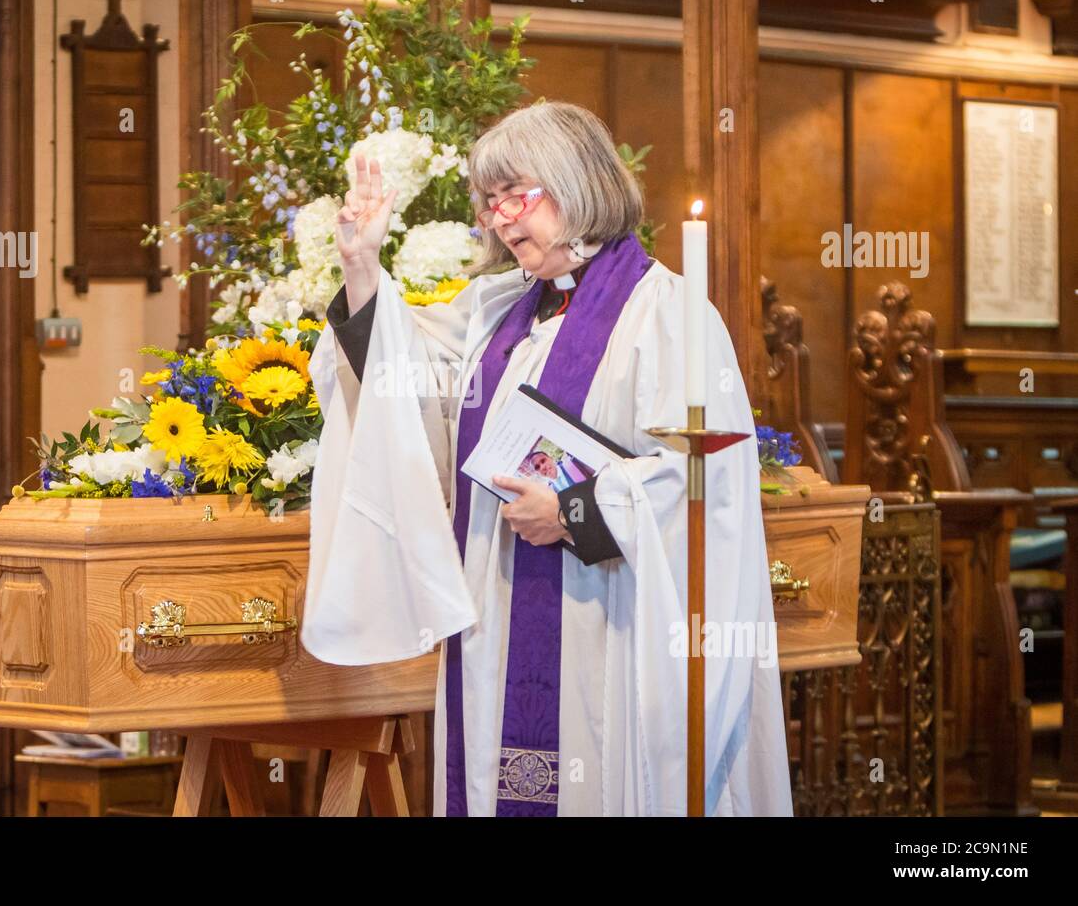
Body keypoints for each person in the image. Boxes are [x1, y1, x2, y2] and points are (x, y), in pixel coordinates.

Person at [301, 101, 792, 816]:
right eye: (490, 202)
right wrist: (362, 264)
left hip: (606, 619)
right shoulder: (500, 313)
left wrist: (574, 510)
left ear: (577, 182)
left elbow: (705, 477)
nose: (501, 218)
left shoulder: (668, 317)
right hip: (497, 613)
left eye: (516, 196)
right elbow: (394, 374)